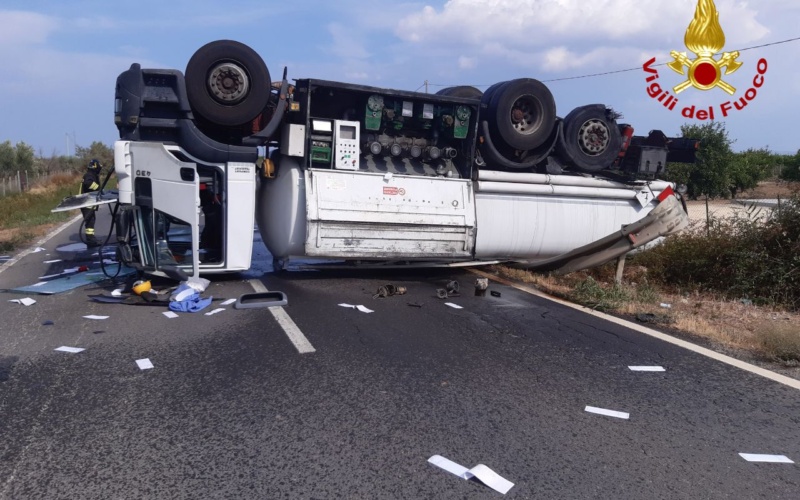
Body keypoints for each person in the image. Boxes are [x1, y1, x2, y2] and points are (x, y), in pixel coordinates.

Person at [80, 159, 102, 247]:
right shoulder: (90, 175)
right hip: (87, 202)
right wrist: (98, 188)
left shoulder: (90, 174)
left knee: (91, 220)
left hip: (88, 202)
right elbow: (88, 183)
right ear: (95, 166)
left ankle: (91, 238)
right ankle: (90, 239)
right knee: (90, 221)